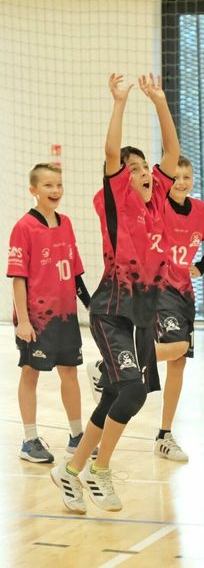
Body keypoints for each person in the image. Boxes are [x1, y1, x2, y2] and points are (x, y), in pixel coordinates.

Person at [50, 72, 180, 514]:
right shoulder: (114, 200)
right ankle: (99, 471)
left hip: (143, 315)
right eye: (134, 169)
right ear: (123, 177)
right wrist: (120, 102)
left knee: (117, 396)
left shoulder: (157, 202)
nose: (144, 173)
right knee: (132, 391)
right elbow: (111, 154)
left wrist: (160, 102)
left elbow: (172, 154)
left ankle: (71, 471)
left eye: (145, 167)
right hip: (112, 309)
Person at [7, 163, 91, 463]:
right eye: (48, 185)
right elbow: (18, 279)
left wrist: (90, 305)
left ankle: (77, 436)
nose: (55, 190)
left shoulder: (66, 223)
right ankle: (29, 440)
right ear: (33, 190)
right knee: (30, 373)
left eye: (58, 185)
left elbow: (75, 271)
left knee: (70, 372)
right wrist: (23, 321)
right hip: (36, 319)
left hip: (65, 316)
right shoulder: (24, 227)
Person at [153, 155, 204, 461]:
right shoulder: (157, 206)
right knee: (176, 346)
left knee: (178, 360)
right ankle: (117, 363)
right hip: (159, 289)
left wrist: (201, 266)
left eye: (187, 176)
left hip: (185, 291)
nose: (181, 182)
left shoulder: (200, 211)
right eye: (175, 177)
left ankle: (164, 435)